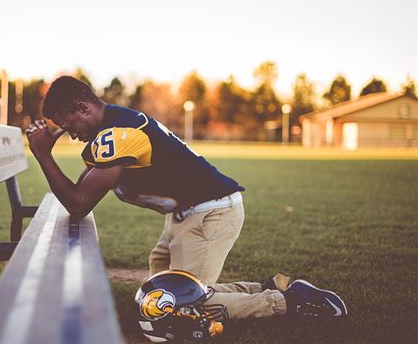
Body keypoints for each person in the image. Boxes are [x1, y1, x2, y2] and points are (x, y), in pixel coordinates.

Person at [25, 76, 347, 330]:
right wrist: (47, 154)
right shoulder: (114, 125)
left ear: (84, 108)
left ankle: (291, 302)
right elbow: (80, 192)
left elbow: (79, 203)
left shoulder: (117, 133)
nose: (72, 135)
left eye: (70, 126)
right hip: (188, 215)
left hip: (210, 214)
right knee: (158, 295)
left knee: (181, 306)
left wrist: (42, 155)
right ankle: (269, 287)